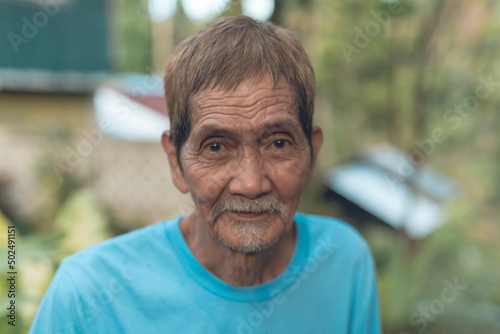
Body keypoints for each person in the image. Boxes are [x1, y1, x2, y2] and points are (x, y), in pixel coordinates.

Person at [30, 16, 381, 333]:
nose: (250, 183)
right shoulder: (85, 296)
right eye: (215, 147)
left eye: (277, 143)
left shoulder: (343, 261)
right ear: (175, 162)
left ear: (312, 153)